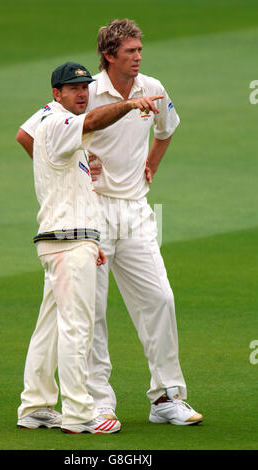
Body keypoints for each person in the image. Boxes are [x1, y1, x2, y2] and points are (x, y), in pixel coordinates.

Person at [17, 19, 203, 426]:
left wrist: (150, 166)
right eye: (130, 51)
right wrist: (71, 170)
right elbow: (28, 136)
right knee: (92, 312)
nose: (138, 57)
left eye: (140, 50)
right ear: (109, 56)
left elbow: (167, 129)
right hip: (91, 212)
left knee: (160, 298)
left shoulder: (153, 87)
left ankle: (167, 397)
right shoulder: (82, 94)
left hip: (135, 209)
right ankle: (100, 402)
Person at [17, 60, 162, 433]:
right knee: (77, 328)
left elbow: (78, 190)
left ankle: (34, 406)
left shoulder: (62, 130)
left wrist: (92, 238)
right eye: (73, 89)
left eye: (85, 88)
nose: (82, 94)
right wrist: (130, 105)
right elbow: (95, 122)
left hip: (68, 241)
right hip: (67, 243)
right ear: (56, 94)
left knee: (50, 328)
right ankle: (81, 414)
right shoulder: (58, 123)